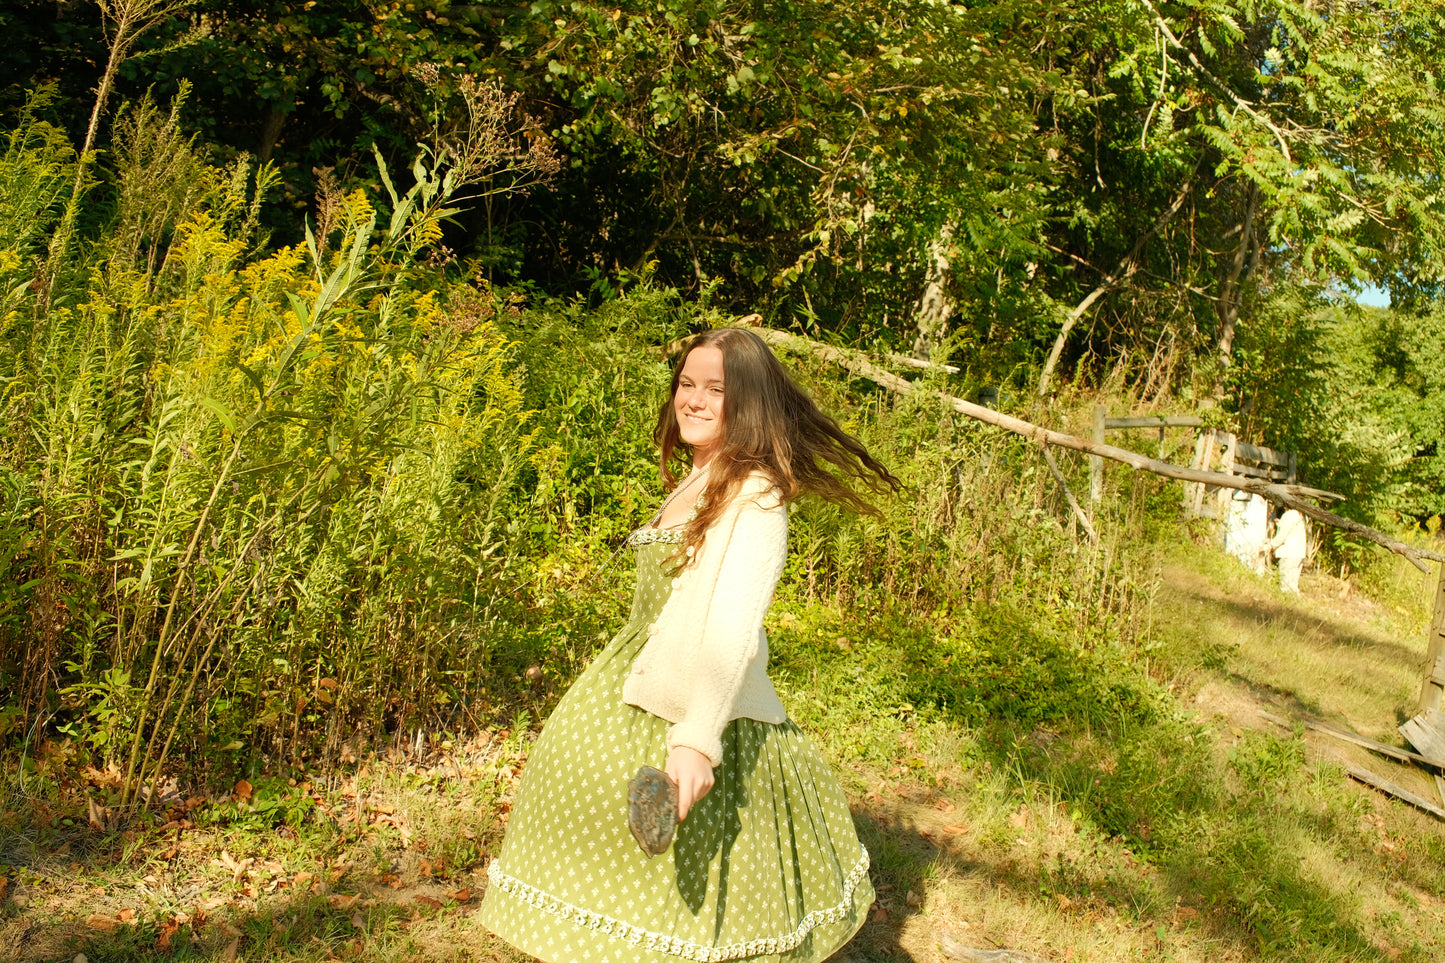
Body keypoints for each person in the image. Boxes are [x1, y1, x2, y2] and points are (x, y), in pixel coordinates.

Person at [479, 328, 900, 963]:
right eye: (686, 384)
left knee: (701, 880)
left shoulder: (754, 494)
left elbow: (734, 624)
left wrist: (698, 740)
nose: (694, 400)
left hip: (697, 698)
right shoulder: (697, 479)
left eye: (716, 389)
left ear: (749, 403)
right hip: (637, 674)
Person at [1267, 507, 1308, 594]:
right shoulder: (1300, 514)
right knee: (1293, 585)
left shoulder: (1291, 514)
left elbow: (1282, 535)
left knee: (1286, 585)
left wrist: (1270, 545)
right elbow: (1290, 529)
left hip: (1289, 552)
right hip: (1297, 552)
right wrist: (1279, 522)